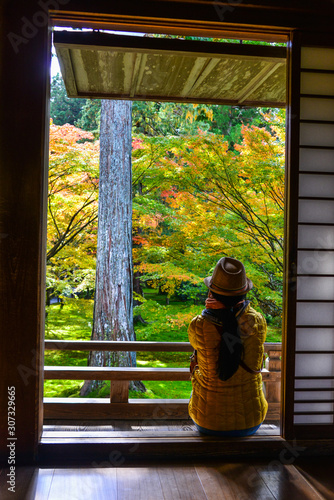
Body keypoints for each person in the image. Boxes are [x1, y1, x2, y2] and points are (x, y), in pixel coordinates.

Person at [188, 256, 268, 436]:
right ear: (243, 292)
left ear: (212, 294)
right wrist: (228, 317)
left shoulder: (199, 324)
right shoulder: (258, 321)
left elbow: (198, 346)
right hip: (252, 420)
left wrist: (220, 315)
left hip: (207, 421)